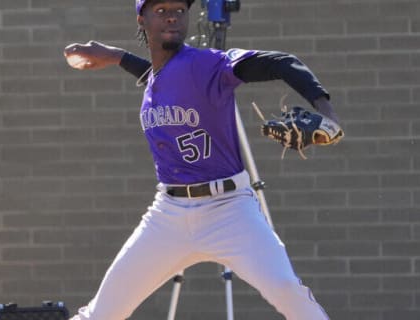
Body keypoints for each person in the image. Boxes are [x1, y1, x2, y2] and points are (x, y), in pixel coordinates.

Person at [63, 0, 338, 319]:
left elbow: (281, 62)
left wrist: (327, 112)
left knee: (287, 291)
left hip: (230, 210)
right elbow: (161, 74)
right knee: (102, 312)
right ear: (142, 19)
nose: (172, 16)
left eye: (179, 10)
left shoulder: (207, 64)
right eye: (161, 10)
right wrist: (117, 57)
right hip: (168, 215)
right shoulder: (159, 76)